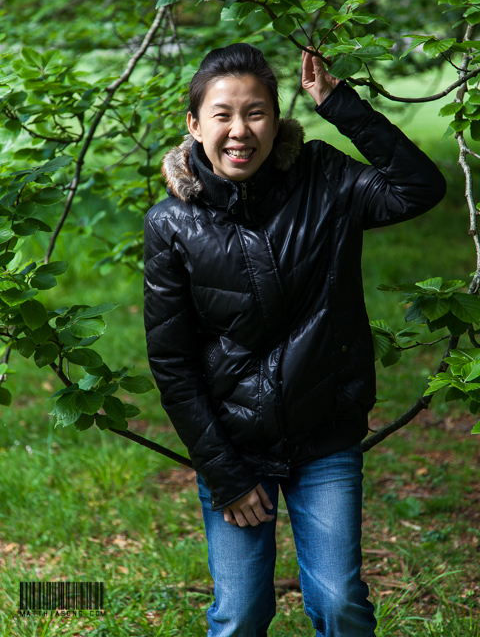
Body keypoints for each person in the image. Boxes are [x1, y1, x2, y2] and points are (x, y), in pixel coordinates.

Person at [143, 43, 446, 637]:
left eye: (256, 113)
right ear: (194, 124)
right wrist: (225, 475)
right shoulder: (171, 223)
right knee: (239, 615)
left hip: (323, 435)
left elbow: (419, 188)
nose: (239, 131)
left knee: (339, 604)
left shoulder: (324, 177)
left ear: (277, 121)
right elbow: (172, 362)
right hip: (233, 445)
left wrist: (339, 104)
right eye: (223, 114)